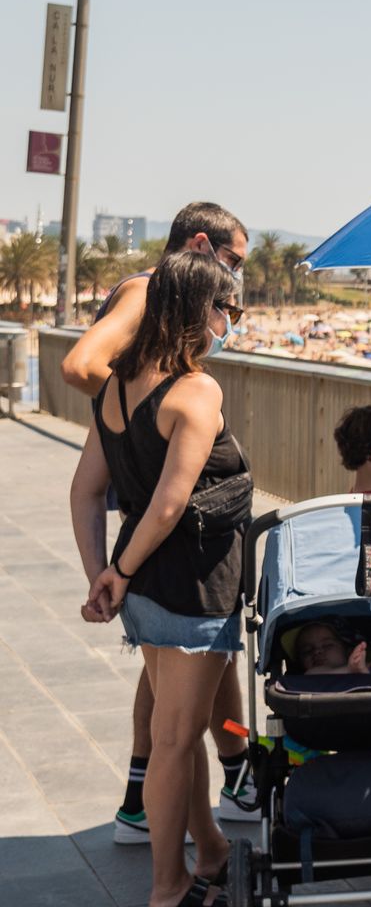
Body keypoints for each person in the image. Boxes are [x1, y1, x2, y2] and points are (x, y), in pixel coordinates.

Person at [61, 202, 255, 842]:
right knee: (182, 711)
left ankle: (199, 793)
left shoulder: (155, 326)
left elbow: (84, 490)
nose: (232, 295)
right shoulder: (150, 295)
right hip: (175, 554)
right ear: (201, 247)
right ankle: (186, 804)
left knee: (183, 686)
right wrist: (144, 423)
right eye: (231, 268)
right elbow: (78, 366)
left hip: (144, 548)